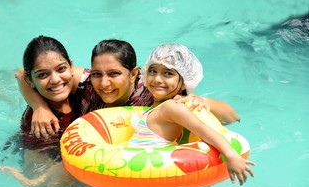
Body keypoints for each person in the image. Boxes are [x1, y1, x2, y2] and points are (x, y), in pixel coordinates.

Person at [15, 39, 240, 139]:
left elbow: (231, 117)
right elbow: (23, 73)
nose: (104, 84)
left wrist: (199, 101)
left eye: (114, 74)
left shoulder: (153, 93)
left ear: (134, 74)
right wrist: (39, 106)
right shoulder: (85, 81)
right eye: (98, 74)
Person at [128, 43, 255, 185]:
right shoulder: (155, 106)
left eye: (168, 73)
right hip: (137, 173)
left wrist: (231, 155)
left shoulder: (171, 107)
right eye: (152, 71)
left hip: (148, 176)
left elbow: (203, 130)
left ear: (184, 83)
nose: (157, 79)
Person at [0, 35, 78, 187]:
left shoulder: (78, 92)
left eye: (61, 69)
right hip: (40, 155)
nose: (55, 80)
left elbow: (19, 73)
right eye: (42, 75)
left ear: (71, 67)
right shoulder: (40, 121)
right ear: (30, 80)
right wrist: (39, 186)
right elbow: (35, 159)